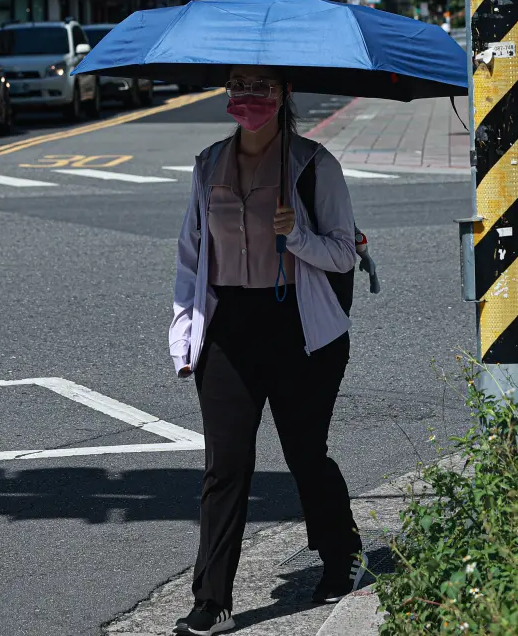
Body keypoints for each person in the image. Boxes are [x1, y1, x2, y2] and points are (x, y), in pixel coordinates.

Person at [171, 66, 365, 636]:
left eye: (262, 88)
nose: (248, 98)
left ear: (283, 97)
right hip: (229, 327)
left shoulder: (312, 165)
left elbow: (344, 253)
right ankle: (211, 598)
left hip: (299, 328)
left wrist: (296, 235)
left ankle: (343, 556)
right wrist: (185, 333)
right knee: (225, 465)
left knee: (305, 453)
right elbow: (191, 257)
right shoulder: (208, 164)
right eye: (238, 87)